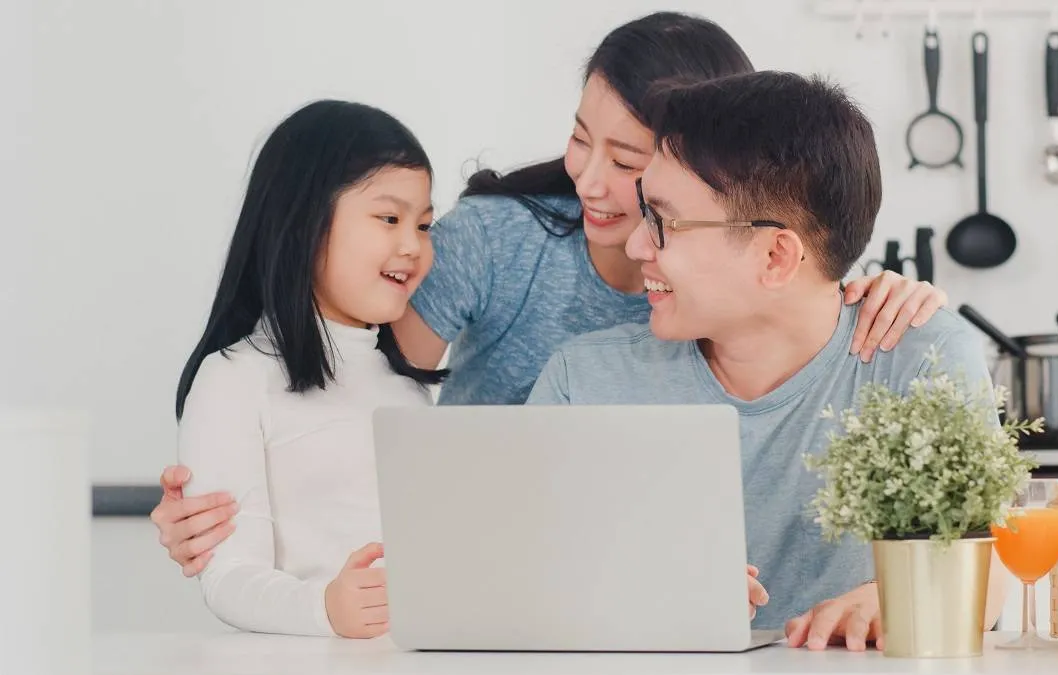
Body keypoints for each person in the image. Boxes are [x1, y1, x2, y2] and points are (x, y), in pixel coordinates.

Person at [151, 13, 948, 581]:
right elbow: (359, 385)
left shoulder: (732, 277)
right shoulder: (496, 242)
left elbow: (795, 288)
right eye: (578, 138)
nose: (589, 181)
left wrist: (875, 296)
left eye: (627, 161)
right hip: (472, 567)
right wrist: (227, 491)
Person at [524, 70, 1009, 651]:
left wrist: (905, 597)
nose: (636, 245)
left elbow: (991, 569)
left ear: (777, 256)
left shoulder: (919, 359)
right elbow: (519, 576)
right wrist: (631, 589)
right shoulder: (584, 381)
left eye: (662, 222)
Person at [173, 99, 445, 638]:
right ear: (306, 222)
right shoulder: (233, 379)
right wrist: (323, 608)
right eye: (390, 218)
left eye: (424, 224)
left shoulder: (406, 388)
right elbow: (228, 575)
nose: (413, 245)